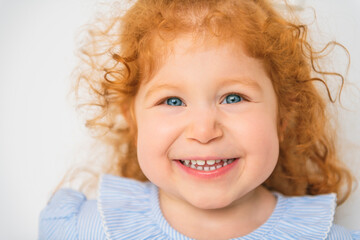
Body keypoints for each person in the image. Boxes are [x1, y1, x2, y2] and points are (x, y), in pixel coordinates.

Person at [39, 0, 360, 239]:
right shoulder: (81, 229)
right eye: (173, 101)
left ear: (283, 116)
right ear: (133, 120)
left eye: (233, 98)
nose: (204, 130)